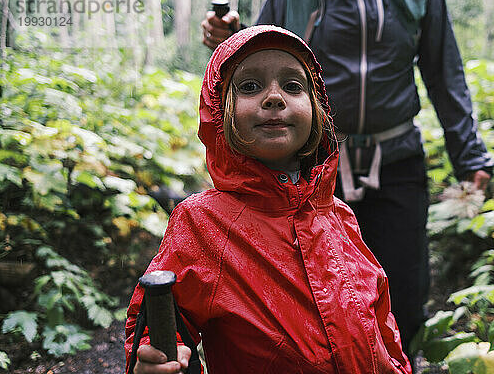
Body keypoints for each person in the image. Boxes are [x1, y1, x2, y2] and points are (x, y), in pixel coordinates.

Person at [201, 0, 494, 353]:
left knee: (404, 293)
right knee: (318, 298)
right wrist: (233, 35)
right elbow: (258, 64)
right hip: (313, 170)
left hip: (397, 163)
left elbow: (444, 71)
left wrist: (469, 154)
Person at [125, 25, 412, 374]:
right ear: (219, 112)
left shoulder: (339, 215)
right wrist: (153, 361)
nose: (274, 97)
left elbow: (382, 326)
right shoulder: (203, 223)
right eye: (250, 86)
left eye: (293, 86)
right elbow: (158, 321)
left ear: (316, 107)